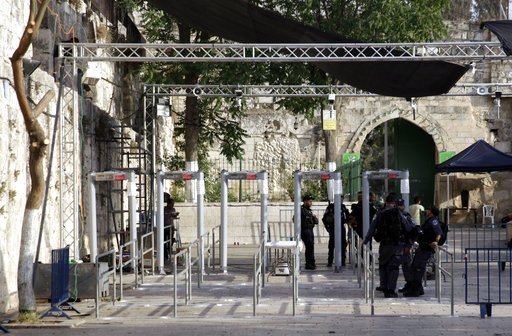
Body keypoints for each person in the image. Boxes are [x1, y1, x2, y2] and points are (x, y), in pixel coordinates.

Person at [363, 194, 411, 298]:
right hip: (396, 245)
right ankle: (391, 290)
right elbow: (407, 227)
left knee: (383, 265)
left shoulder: (379, 213)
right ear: (394, 203)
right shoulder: (398, 213)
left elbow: (372, 228)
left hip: (384, 244)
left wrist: (366, 240)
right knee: (393, 267)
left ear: (385, 202)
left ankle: (384, 286)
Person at [403, 205, 443, 297]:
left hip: (426, 249)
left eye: (429, 209)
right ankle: (419, 288)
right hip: (423, 247)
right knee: (415, 267)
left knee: (418, 268)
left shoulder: (433, 221)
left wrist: (436, 241)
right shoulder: (429, 220)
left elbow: (439, 232)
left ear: (431, 212)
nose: (427, 210)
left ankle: (415, 290)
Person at [396, 198, 417, 293]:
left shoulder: (406, 216)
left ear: (403, 206)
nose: (399, 207)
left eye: (401, 205)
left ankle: (410, 285)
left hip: (404, 245)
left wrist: (409, 246)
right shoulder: (393, 215)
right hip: (395, 246)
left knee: (407, 267)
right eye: (397, 205)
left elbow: (412, 232)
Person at [323, 195, 350, 267]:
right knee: (331, 245)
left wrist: (348, 222)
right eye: (339, 200)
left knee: (343, 245)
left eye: (341, 200)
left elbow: (348, 217)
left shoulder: (343, 207)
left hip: (341, 227)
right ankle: (330, 261)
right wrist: (327, 227)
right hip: (332, 228)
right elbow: (324, 218)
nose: (340, 201)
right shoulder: (330, 207)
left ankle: (343, 261)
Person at [300, 194, 318, 270]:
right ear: (305, 202)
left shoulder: (309, 211)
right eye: (309, 201)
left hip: (310, 230)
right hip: (305, 230)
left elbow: (315, 221)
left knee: (311, 247)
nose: (311, 203)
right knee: (309, 247)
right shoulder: (301, 210)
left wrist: (314, 218)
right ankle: (308, 263)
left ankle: (312, 262)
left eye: (311, 201)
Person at [164, 192, 179, 259]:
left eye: (173, 204)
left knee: (170, 239)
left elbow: (174, 216)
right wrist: (170, 215)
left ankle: (169, 247)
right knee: (164, 241)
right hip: (164, 227)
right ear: (168, 204)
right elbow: (163, 216)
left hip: (171, 226)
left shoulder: (173, 209)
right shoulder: (164, 209)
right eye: (171, 204)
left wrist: (175, 215)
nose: (172, 206)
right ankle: (165, 255)